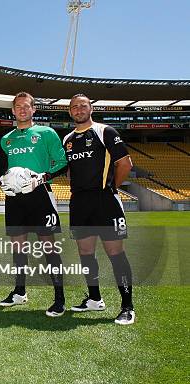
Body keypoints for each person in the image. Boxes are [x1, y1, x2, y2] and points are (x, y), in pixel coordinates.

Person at [0, 92, 68, 317]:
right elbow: (0, 168)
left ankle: (59, 298)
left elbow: (63, 162)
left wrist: (43, 177)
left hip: (40, 195)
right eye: (18, 107)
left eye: (27, 106)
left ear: (34, 109)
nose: (22, 110)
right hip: (15, 199)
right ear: (13, 111)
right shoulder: (6, 139)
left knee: (48, 246)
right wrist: (1, 182)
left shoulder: (46, 133)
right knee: (18, 246)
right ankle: (19, 292)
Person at [64, 94, 135, 325]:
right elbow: (70, 171)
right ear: (70, 112)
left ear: (90, 108)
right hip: (79, 202)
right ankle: (95, 299)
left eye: (82, 105)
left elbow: (125, 163)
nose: (78, 109)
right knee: (85, 252)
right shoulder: (67, 139)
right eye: (74, 107)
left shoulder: (105, 131)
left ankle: (127, 307)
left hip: (105, 201)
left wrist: (110, 188)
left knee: (115, 253)